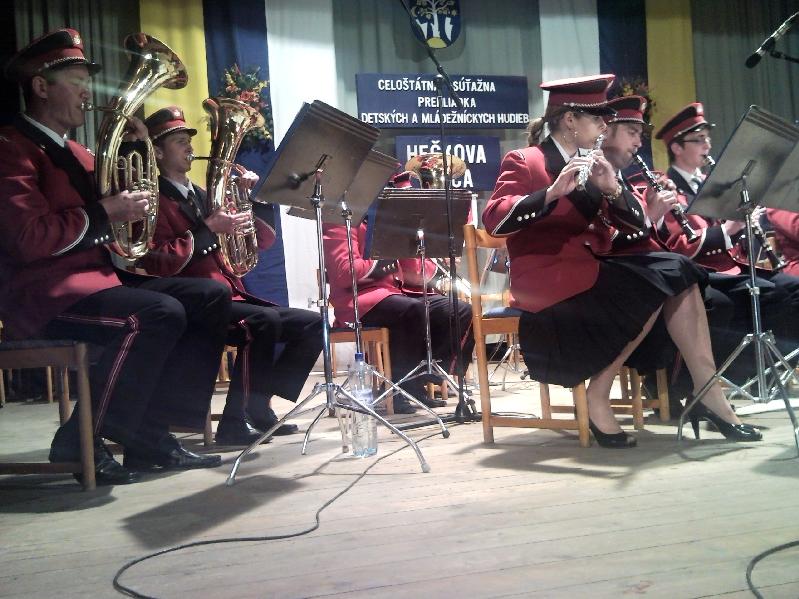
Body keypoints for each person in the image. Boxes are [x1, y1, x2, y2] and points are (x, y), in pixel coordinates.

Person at [0, 29, 230, 484]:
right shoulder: (10, 147)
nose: (88, 93)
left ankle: (152, 432)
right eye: (77, 81)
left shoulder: (82, 153)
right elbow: (27, 238)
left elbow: (126, 231)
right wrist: (104, 212)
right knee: (156, 312)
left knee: (209, 297)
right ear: (41, 86)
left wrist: (136, 153)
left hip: (97, 284)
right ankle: (83, 436)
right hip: (43, 297)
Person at [482, 75, 761, 447]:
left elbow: (637, 227)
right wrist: (550, 193)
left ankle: (706, 389)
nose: (604, 126)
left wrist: (613, 189)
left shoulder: (593, 163)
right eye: (597, 118)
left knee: (679, 271)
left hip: (593, 269)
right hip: (547, 278)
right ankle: (604, 392)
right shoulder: (527, 160)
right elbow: (493, 219)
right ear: (570, 120)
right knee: (664, 276)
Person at [139, 106, 323, 445]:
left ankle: (258, 404)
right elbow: (157, 260)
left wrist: (247, 201)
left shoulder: (202, 194)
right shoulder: (153, 199)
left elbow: (263, 241)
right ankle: (235, 422)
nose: (189, 148)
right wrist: (208, 229)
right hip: (194, 301)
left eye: (188, 140)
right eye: (179, 142)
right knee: (264, 321)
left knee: (313, 324)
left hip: (229, 294)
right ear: (159, 152)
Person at [601, 95, 735, 410]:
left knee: (721, 295)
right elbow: (610, 239)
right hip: (621, 278)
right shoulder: (602, 176)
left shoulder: (626, 180)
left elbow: (652, 237)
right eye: (632, 133)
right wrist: (652, 216)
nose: (639, 142)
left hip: (651, 272)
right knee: (713, 297)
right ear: (607, 133)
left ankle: (704, 388)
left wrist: (654, 215)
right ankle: (674, 388)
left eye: (640, 134)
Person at [653, 103, 799, 381]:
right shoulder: (668, 186)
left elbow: (732, 239)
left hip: (730, 267)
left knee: (791, 291)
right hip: (702, 272)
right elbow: (678, 242)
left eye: (708, 138)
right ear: (677, 147)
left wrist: (743, 225)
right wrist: (729, 228)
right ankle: (734, 376)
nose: (707, 145)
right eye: (699, 140)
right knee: (759, 296)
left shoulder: (712, 183)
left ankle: (763, 375)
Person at [322, 187, 474, 414]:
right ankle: (399, 387)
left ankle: (426, 374)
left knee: (459, 310)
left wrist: (416, 243)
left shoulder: (387, 221)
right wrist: (386, 260)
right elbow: (344, 272)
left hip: (395, 293)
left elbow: (411, 273)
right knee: (412, 310)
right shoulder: (338, 219)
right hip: (359, 300)